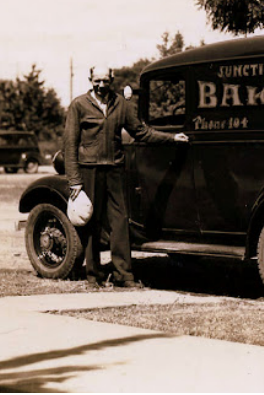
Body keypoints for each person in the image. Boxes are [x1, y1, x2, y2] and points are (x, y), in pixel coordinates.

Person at [63, 65, 188, 288]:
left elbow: (141, 132)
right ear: (90, 80)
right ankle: (93, 276)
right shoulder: (79, 105)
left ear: (112, 80)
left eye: (106, 81)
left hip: (115, 169)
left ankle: (124, 275)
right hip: (89, 170)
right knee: (91, 220)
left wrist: (171, 138)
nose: (101, 85)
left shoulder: (121, 104)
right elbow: (70, 144)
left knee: (120, 221)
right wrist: (74, 180)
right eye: (97, 81)